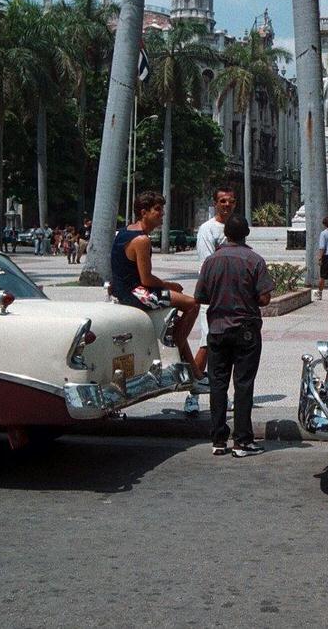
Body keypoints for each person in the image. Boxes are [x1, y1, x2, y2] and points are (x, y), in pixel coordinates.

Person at [194, 213, 273, 458]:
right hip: (245, 330)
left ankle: (218, 439)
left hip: (217, 329)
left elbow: (200, 297)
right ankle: (242, 441)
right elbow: (264, 298)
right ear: (246, 234)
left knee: (217, 385)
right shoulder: (255, 260)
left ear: (225, 233)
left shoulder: (211, 262)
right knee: (243, 385)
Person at [108, 191, 203, 383]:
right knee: (193, 304)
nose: (162, 214)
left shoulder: (125, 232)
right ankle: (175, 343)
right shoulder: (142, 240)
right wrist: (170, 285)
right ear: (144, 212)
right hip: (136, 293)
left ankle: (191, 365)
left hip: (122, 290)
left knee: (181, 312)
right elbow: (147, 279)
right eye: (157, 210)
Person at [186, 186, 238, 414]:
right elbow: (207, 263)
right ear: (215, 203)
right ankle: (193, 395)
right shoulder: (208, 229)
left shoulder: (237, 227)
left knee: (230, 347)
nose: (227, 205)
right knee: (208, 344)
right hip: (213, 295)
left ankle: (221, 394)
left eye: (231, 201)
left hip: (234, 297)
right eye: (223, 201)